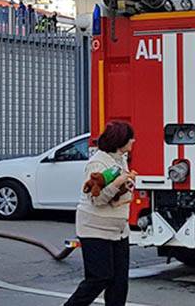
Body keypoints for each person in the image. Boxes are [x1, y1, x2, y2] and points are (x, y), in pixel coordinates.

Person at [65, 121, 136, 306]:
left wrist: (126, 184)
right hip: (95, 229)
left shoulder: (121, 158)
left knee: (119, 283)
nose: (133, 141)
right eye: (130, 138)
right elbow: (97, 199)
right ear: (120, 141)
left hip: (119, 230)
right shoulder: (97, 163)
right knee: (99, 278)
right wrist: (117, 182)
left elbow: (117, 191)